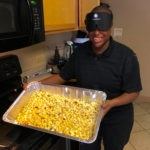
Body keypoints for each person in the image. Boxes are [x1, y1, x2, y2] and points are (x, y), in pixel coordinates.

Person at [27, 2, 142, 150]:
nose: (97, 32)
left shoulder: (127, 56)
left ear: (111, 26)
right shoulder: (80, 52)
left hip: (117, 118)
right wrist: (36, 86)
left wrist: (111, 103)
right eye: (92, 27)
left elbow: (133, 92)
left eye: (102, 26)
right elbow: (62, 76)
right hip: (86, 115)